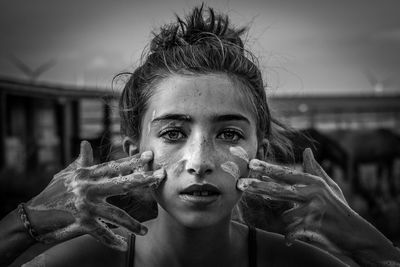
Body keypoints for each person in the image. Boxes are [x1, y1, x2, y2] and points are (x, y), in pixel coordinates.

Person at [1, 5, 399, 267]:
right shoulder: (76, 264)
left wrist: (366, 243)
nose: (200, 161)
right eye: (173, 132)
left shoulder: (303, 265)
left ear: (259, 150)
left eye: (228, 132)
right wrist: (26, 222)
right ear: (134, 152)